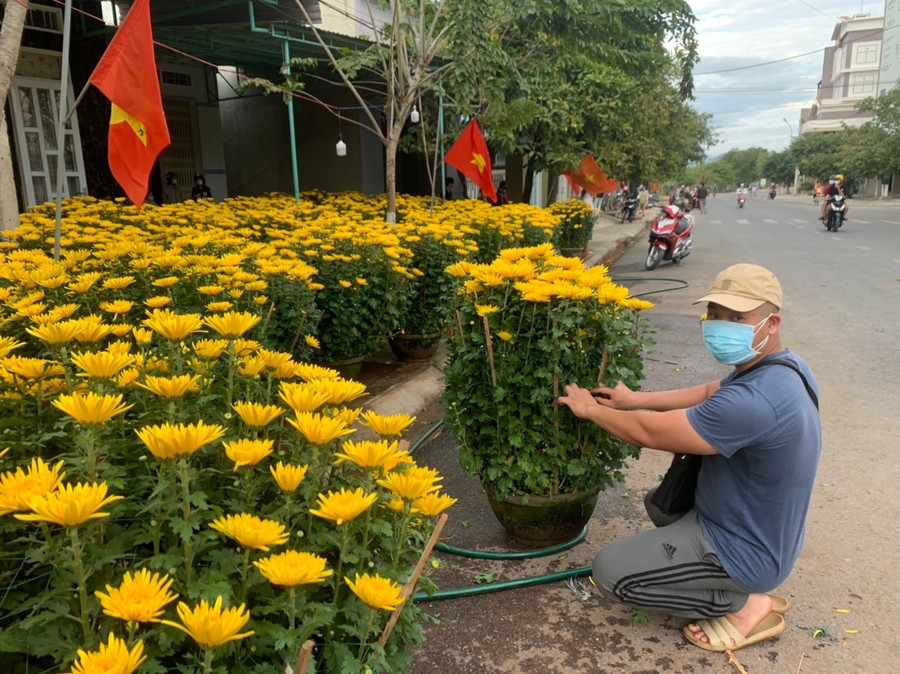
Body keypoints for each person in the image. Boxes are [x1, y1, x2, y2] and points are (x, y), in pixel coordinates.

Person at [558, 263, 821, 653]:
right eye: (715, 315)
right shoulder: (782, 366)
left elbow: (647, 433)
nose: (721, 325)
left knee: (612, 573)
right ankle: (723, 582)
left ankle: (746, 604)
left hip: (744, 549)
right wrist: (636, 399)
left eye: (736, 317)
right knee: (661, 503)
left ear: (771, 323)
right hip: (754, 527)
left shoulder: (755, 401)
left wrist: (591, 410)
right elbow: (709, 391)